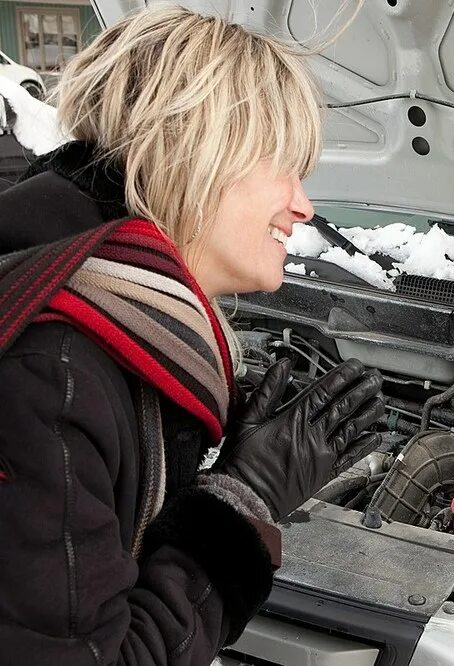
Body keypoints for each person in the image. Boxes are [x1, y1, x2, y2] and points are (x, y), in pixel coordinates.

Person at [0, 6, 385, 664]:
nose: (304, 205)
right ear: (201, 154)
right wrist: (241, 504)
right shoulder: (52, 373)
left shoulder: (116, 318)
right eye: (284, 167)